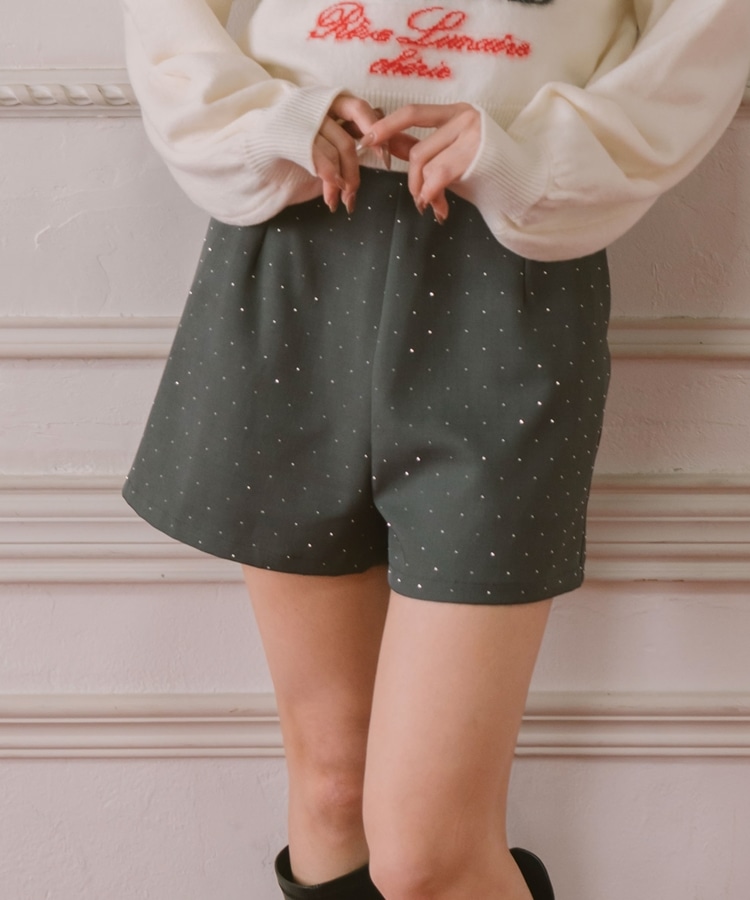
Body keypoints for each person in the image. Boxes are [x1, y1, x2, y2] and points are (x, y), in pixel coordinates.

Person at [118, 1, 750, 898]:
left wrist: (534, 152)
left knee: (428, 852)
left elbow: (706, 29)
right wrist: (267, 122)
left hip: (505, 264)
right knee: (333, 791)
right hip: (294, 234)